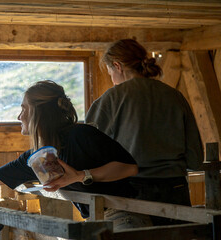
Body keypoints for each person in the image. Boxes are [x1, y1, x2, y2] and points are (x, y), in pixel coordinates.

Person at [0, 80, 150, 229]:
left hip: (124, 217)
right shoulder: (40, 158)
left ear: (38, 112)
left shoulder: (82, 135)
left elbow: (129, 167)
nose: (19, 116)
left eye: (24, 109)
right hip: (95, 220)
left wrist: (81, 175)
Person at [85, 39, 204, 224]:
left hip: (132, 192)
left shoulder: (110, 100)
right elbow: (195, 159)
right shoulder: (175, 96)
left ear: (117, 66)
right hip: (175, 189)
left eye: (110, 72)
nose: (112, 78)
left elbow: (89, 152)